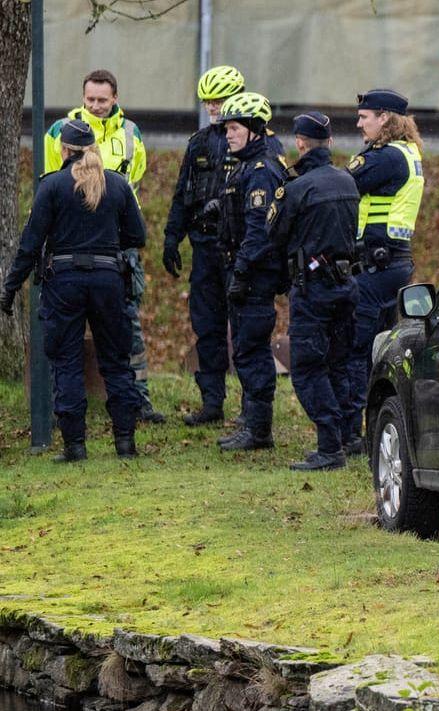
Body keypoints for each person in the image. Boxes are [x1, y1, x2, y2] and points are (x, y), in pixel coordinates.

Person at [2, 120, 146, 461]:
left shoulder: (52, 186)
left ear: (64, 150)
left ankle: (74, 447)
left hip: (63, 280)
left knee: (66, 362)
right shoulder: (117, 184)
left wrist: (10, 289)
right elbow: (137, 237)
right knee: (116, 362)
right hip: (109, 280)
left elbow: (30, 244)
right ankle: (125, 443)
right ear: (92, 147)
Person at [44, 68, 162, 425]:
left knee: (127, 324)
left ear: (115, 99)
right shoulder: (60, 132)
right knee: (65, 330)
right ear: (83, 97)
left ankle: (137, 400)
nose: (95, 105)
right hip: (72, 244)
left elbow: (134, 182)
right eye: (89, 99)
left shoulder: (131, 134)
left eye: (102, 99)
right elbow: (52, 182)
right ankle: (63, 406)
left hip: (118, 244)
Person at [268, 112, 360, 471]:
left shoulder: (296, 189)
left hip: (313, 290)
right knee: (339, 363)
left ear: (300, 143)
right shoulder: (348, 182)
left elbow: (274, 237)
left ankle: (329, 447)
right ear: (331, 143)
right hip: (346, 285)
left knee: (307, 366)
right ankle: (345, 438)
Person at [162, 65, 245, 427]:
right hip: (203, 248)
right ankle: (212, 402)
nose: (213, 107)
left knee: (244, 329)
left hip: (239, 250)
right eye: (208, 101)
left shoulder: (254, 140)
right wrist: (171, 237)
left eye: (220, 100)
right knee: (207, 326)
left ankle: (253, 409)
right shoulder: (198, 142)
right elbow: (183, 193)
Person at [345, 88, 425, 455]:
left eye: (365, 117)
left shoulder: (387, 157)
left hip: (377, 266)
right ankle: (374, 431)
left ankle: (354, 436)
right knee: (379, 352)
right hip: (392, 263)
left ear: (385, 120)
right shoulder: (408, 153)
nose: (359, 122)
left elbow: (345, 183)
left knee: (357, 348)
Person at [215, 91, 287, 452]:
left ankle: (259, 431)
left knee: (251, 350)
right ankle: (252, 424)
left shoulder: (261, 170)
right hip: (244, 270)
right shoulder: (245, 166)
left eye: (234, 128)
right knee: (244, 348)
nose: (228, 134)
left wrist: (241, 271)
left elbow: (259, 231)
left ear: (255, 130)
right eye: (226, 128)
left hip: (255, 276)